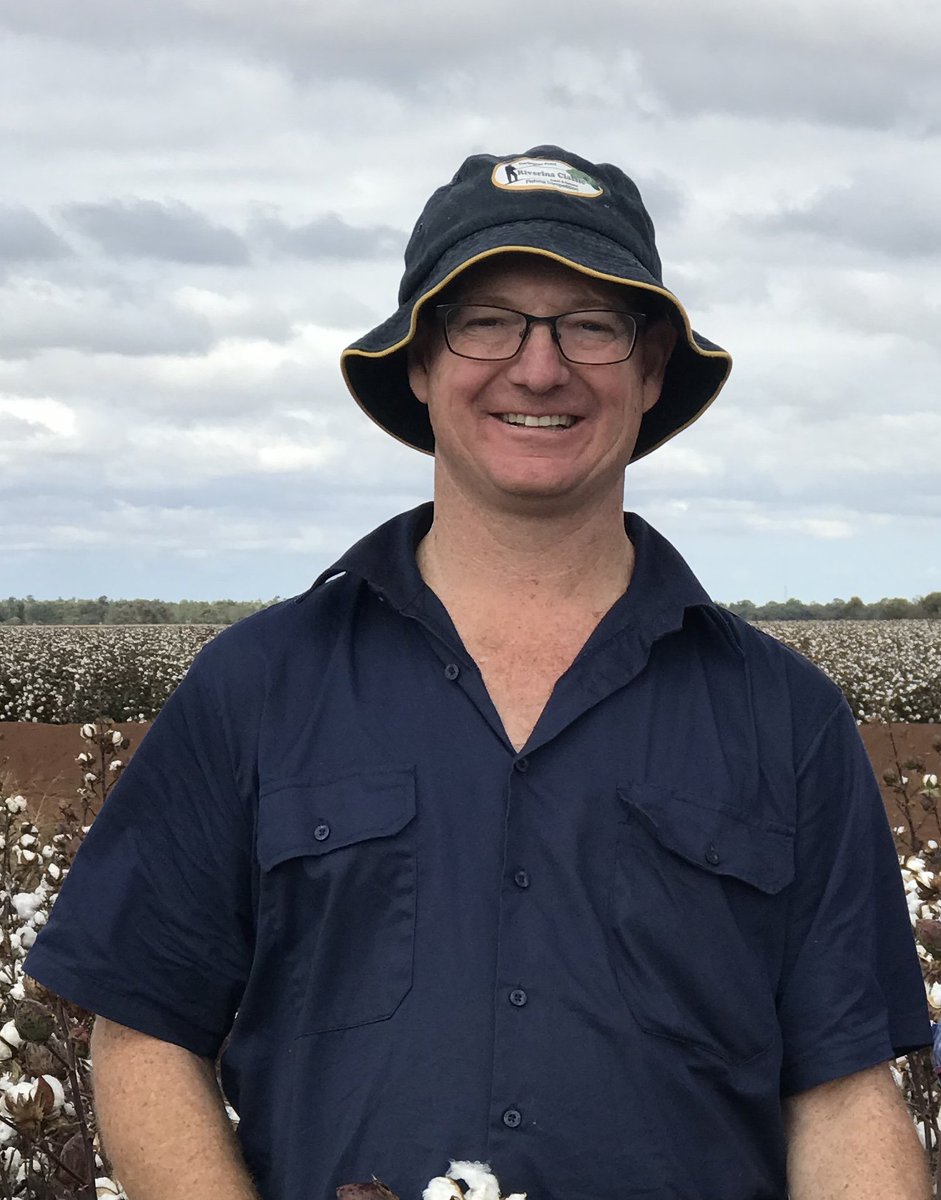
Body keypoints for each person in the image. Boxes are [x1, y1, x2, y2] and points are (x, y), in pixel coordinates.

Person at [25, 145, 931, 1200]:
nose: (537, 369)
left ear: (648, 370)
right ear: (417, 362)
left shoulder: (784, 718)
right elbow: (143, 1034)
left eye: (589, 325)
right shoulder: (256, 686)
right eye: (484, 320)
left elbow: (840, 1097)